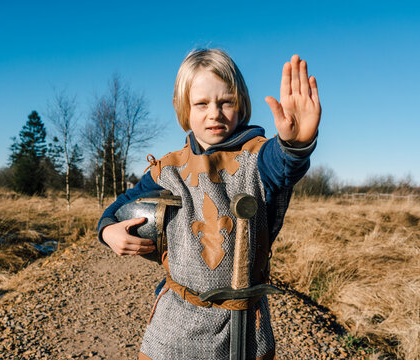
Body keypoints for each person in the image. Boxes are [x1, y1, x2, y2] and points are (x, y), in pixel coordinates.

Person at [97, 48, 321, 359]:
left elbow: (284, 165)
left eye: (225, 102)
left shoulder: (258, 159)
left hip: (242, 330)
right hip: (175, 327)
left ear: (240, 104)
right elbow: (118, 207)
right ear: (183, 109)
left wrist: (296, 144)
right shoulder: (168, 168)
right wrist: (108, 231)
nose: (214, 113)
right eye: (201, 103)